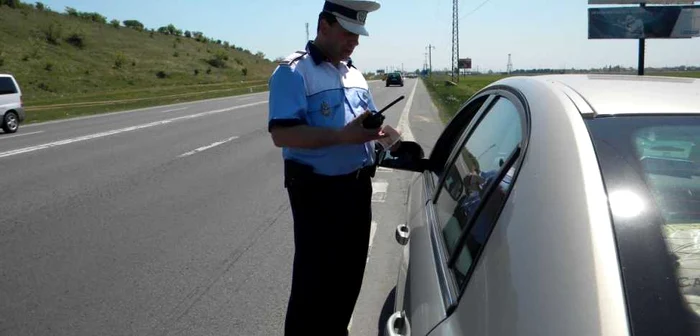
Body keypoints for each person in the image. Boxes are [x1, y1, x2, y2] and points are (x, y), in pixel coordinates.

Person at [266, 1, 389, 335]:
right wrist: (343, 136)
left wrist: (390, 138)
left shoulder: (354, 73)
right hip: (318, 192)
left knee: (348, 278)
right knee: (314, 285)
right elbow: (282, 134)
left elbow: (370, 124)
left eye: (358, 34)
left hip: (358, 188)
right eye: (348, 33)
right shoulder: (293, 72)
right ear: (324, 26)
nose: (355, 41)